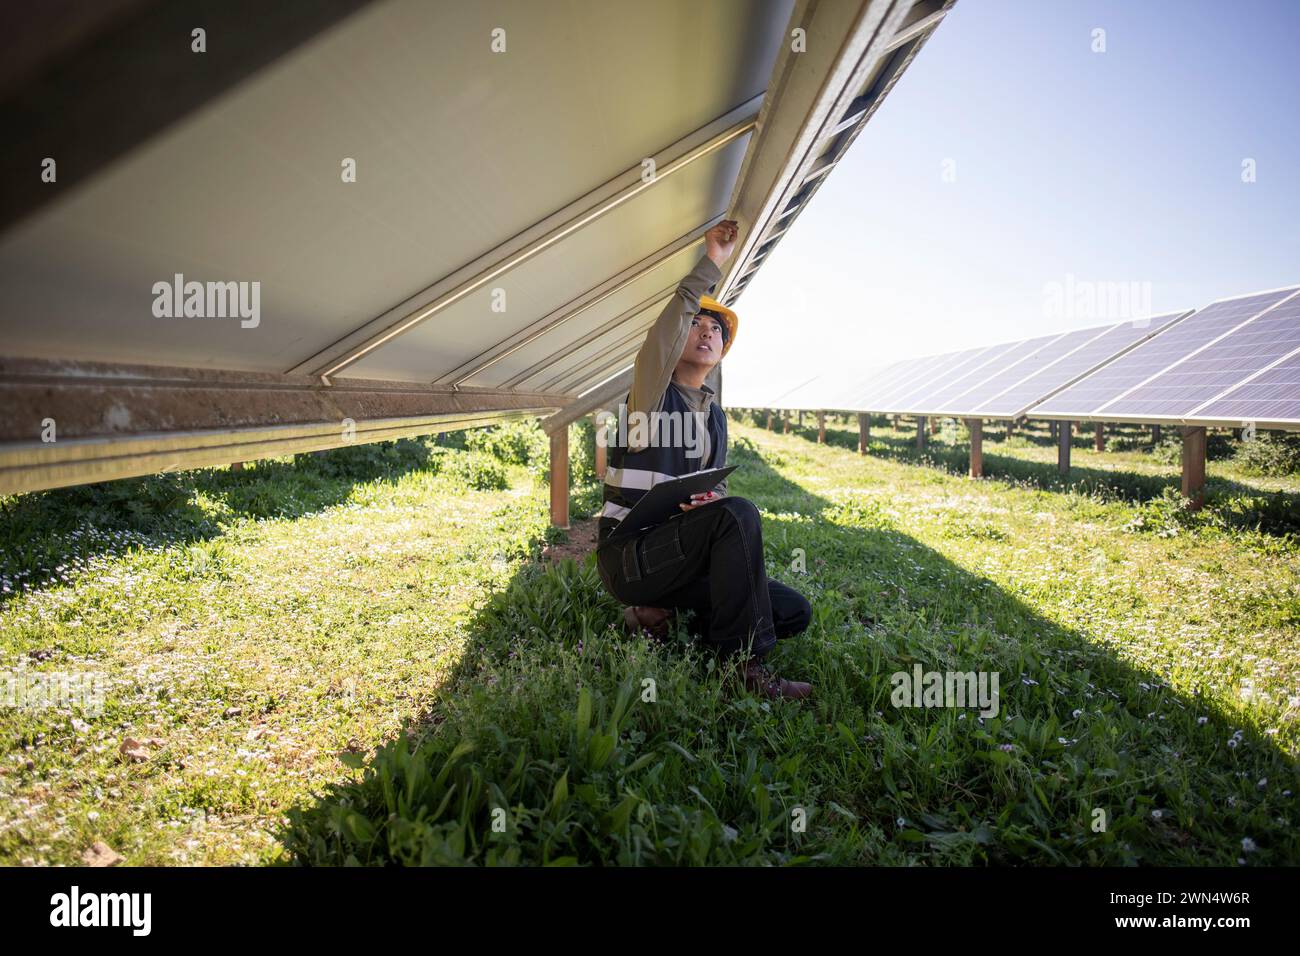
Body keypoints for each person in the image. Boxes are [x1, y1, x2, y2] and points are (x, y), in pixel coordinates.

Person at [593, 219, 814, 699]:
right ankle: (742, 668)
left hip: (681, 559)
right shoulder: (649, 398)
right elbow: (662, 336)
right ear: (677, 342)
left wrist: (707, 502)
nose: (707, 331)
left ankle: (655, 615)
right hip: (630, 558)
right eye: (697, 323)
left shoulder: (715, 419)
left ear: (721, 353)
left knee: (793, 611)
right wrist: (711, 262)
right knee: (738, 514)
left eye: (717, 329)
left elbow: (712, 495)